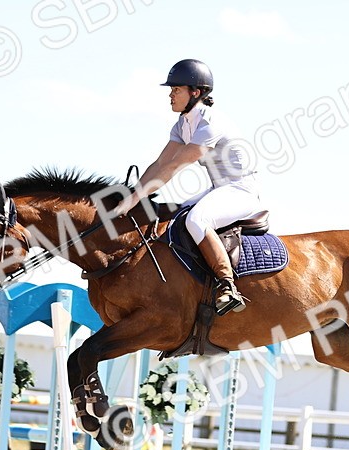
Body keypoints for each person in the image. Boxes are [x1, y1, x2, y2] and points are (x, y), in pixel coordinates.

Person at [113, 59, 264, 315]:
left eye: (176, 90)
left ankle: (227, 285)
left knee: (196, 220)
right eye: (171, 90)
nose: (170, 95)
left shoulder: (210, 123)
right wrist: (133, 194)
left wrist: (135, 198)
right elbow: (160, 162)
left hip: (241, 191)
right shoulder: (182, 124)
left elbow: (173, 167)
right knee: (174, 218)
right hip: (218, 188)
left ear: (195, 92)